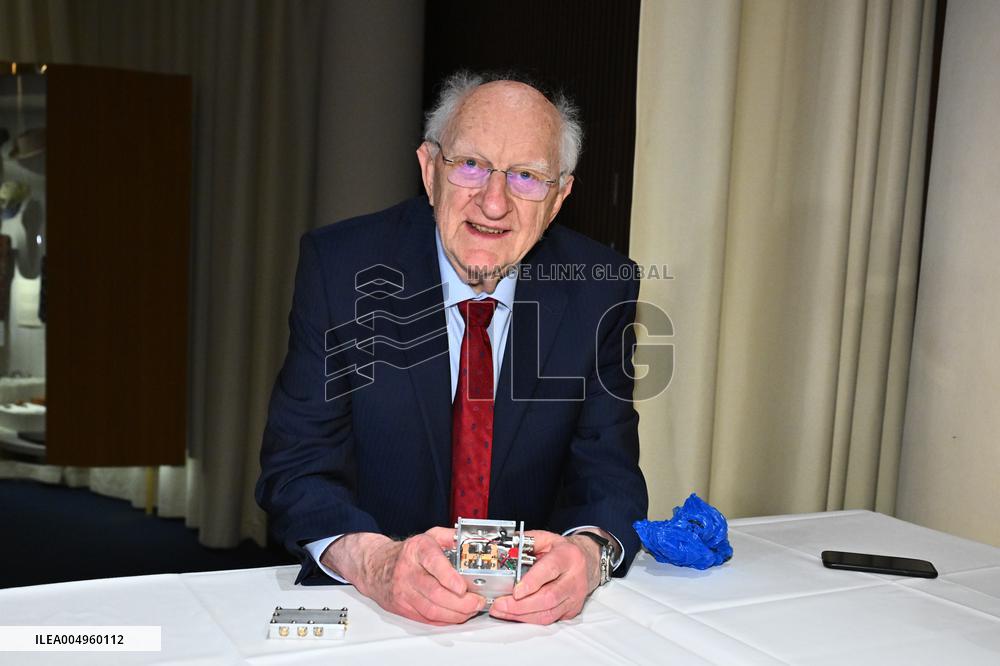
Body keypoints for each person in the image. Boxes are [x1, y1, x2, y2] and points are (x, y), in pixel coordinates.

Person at [256, 71, 648, 626]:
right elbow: (296, 469)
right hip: (374, 613)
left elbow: (608, 473)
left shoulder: (600, 287)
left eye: (527, 177)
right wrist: (377, 563)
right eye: (470, 166)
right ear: (428, 170)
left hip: (529, 630)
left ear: (559, 198)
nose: (494, 203)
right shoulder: (341, 268)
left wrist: (587, 555)